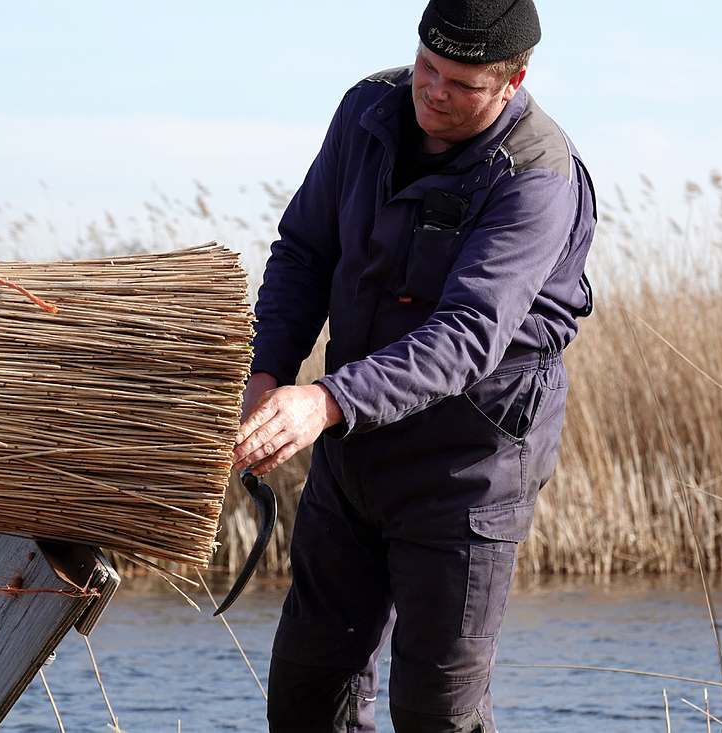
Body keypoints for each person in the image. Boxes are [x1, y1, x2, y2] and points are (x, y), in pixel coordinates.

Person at [233, 0, 596, 729]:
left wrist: (324, 401)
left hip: (468, 467)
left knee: (436, 710)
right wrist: (269, 371)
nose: (432, 91)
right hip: (355, 449)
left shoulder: (537, 175)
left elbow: (466, 334)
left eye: (461, 84)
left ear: (513, 80)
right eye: (427, 67)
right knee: (307, 692)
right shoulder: (368, 110)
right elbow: (305, 251)